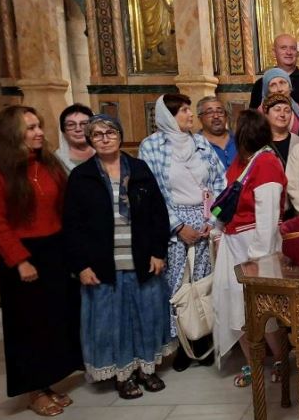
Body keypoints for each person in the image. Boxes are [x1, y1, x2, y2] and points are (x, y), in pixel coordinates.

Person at [63, 115, 173, 399]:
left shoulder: (139, 169)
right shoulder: (81, 176)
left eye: (110, 132)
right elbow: (72, 225)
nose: (104, 138)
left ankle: (145, 370)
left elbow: (158, 215)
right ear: (90, 140)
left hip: (140, 260)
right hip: (102, 265)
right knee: (114, 323)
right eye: (97, 134)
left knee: (146, 317)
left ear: (120, 136)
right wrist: (81, 265)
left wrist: (159, 252)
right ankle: (122, 375)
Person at [0, 106, 81, 416]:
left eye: (38, 126)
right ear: (10, 135)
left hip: (55, 250)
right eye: (30, 128)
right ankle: (32, 389)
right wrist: (20, 261)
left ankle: (47, 381)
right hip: (24, 255)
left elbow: (65, 211)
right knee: (28, 327)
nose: (39, 132)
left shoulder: (49, 166)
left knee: (54, 321)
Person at [138, 94, 227, 371]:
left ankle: (205, 339)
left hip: (205, 221)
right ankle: (182, 346)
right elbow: (154, 192)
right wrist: (178, 226)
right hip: (173, 224)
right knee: (179, 285)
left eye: (190, 109)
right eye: (184, 111)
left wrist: (213, 220)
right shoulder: (151, 146)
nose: (190, 115)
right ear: (168, 116)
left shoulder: (200, 143)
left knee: (205, 282)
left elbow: (219, 182)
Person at [212, 110, 288, 387]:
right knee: (237, 310)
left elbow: (268, 217)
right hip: (234, 245)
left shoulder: (266, 162)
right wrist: (218, 234)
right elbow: (226, 200)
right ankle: (252, 363)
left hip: (256, 249)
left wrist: (258, 259)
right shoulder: (241, 162)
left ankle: (280, 359)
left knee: (264, 313)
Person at [249, 34, 299, 120]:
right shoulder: (261, 84)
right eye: (283, 48)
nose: (289, 52)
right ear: (274, 52)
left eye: (293, 48)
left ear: (297, 53)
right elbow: (253, 120)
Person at [262, 93, 299, 167]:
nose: (282, 114)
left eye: (287, 111)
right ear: (266, 114)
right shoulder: (257, 142)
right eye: (277, 110)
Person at [259, 68, 299, 136]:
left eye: (282, 83)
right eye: (273, 85)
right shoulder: (259, 114)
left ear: (289, 87)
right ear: (267, 91)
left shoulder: (297, 108)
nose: (279, 89)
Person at [197, 96, 237, 169]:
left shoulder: (240, 140)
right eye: (209, 112)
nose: (216, 116)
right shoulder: (194, 145)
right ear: (200, 118)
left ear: (226, 116)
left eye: (220, 112)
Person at [55, 103, 95, 172]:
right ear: (63, 130)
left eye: (84, 124)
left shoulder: (106, 153)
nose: (78, 129)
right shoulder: (55, 160)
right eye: (71, 125)